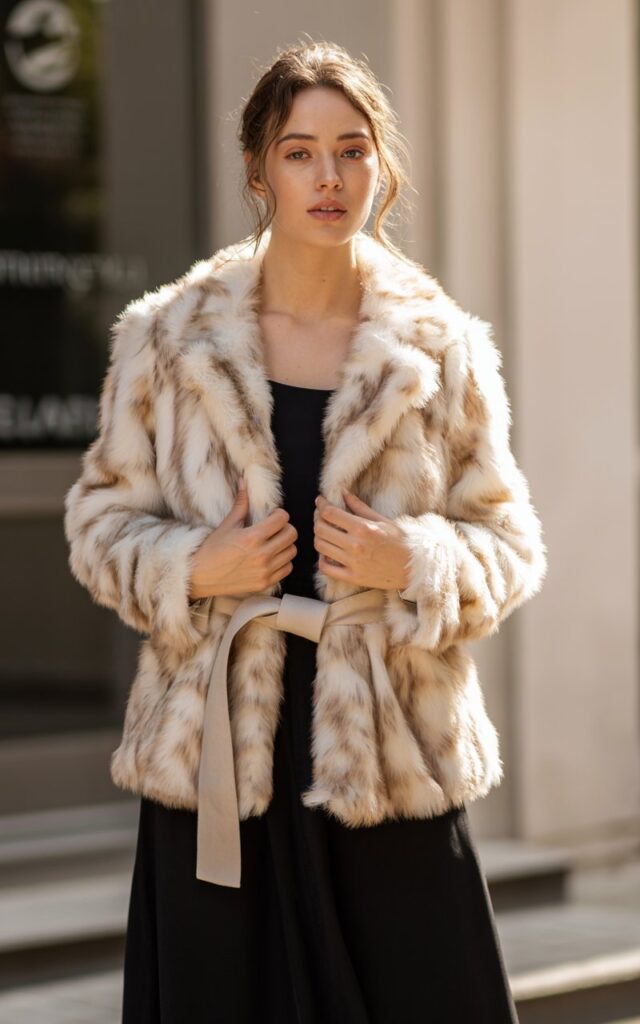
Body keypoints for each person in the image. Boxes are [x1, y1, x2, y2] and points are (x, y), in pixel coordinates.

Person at [64, 38, 547, 1024]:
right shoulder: (169, 339)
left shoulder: (439, 349)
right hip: (215, 764)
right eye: (299, 151)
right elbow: (99, 522)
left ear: (382, 168)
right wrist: (194, 563)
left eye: (352, 149)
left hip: (387, 759)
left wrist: (411, 558)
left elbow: (508, 545)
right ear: (257, 172)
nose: (328, 176)